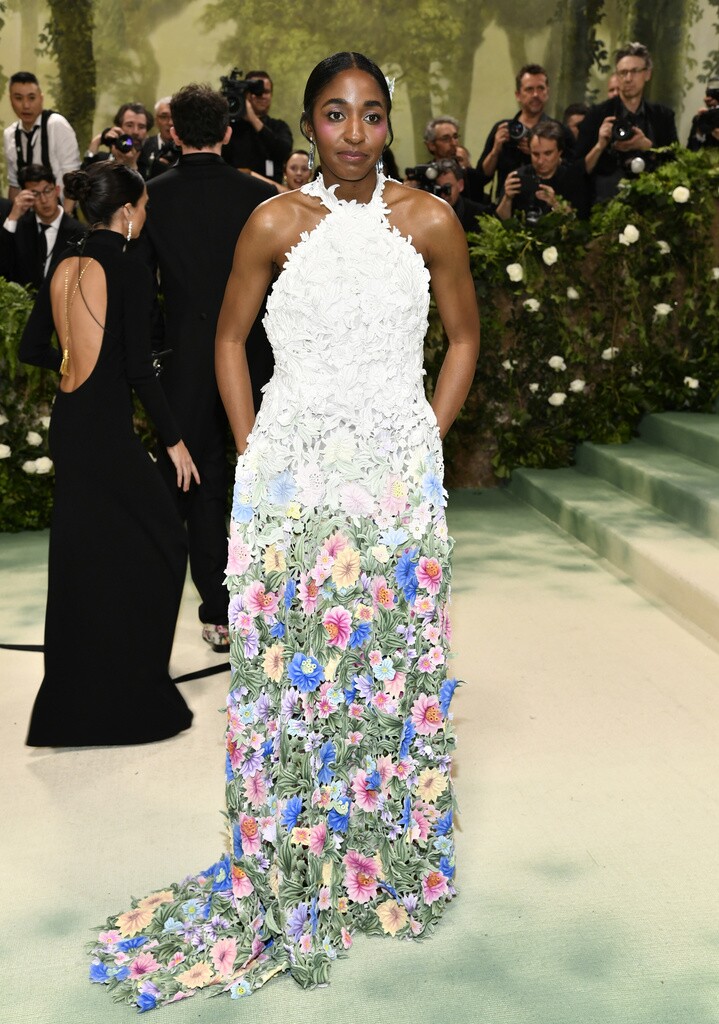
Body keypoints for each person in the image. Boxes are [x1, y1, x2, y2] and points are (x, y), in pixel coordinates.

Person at [88, 50, 479, 1008]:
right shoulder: (272, 221)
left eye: (373, 115)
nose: (356, 132)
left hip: (390, 489)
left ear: (390, 124)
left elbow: (463, 337)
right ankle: (298, 859)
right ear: (308, 124)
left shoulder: (430, 220)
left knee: (386, 671)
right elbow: (227, 338)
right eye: (336, 115)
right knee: (298, 677)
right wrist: (253, 449)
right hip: (292, 487)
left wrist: (421, 441)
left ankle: (381, 861)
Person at [18, 161, 197, 746]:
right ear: (125, 212)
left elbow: (32, 347)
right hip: (107, 431)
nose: (145, 216)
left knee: (82, 556)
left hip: (73, 426)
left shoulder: (62, 262)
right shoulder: (128, 266)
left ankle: (76, 694)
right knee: (165, 538)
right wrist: (174, 441)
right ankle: (130, 683)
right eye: (143, 206)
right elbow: (141, 372)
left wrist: (73, 365)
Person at [139, 83, 276, 654]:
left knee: (200, 484)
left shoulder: (151, 198)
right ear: (227, 131)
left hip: (185, 360)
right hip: (255, 355)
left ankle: (218, 614)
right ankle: (273, 605)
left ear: (172, 132)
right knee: (267, 475)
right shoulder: (257, 198)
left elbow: (143, 292)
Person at [576, 42, 678, 203]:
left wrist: (647, 147)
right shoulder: (597, 115)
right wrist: (600, 145)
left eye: (635, 71)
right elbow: (578, 171)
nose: (628, 78)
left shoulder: (663, 117)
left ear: (647, 74)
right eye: (623, 73)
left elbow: (676, 166)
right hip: (604, 206)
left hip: (652, 206)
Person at [477, 63, 575, 196]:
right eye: (529, 89)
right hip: (507, 206)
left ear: (548, 92)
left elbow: (574, 172)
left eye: (541, 88)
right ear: (518, 95)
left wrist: (536, 153)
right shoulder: (503, 129)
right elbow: (481, 177)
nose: (535, 94)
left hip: (549, 205)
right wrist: (495, 150)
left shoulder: (561, 132)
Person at [3, 71, 80, 212]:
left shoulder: (56, 124)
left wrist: (64, 222)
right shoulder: (10, 134)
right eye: (18, 98)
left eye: (31, 98)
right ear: (10, 100)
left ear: (41, 98)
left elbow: (73, 179)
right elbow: (14, 186)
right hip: (29, 219)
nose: (25, 105)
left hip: (60, 213)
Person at [0, 163, 86, 287]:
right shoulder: (20, 228)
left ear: (57, 190)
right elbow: (3, 267)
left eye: (47, 191)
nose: (44, 200)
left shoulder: (79, 232)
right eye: (35, 194)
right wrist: (13, 217)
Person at [497, 121, 591, 222]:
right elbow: (500, 222)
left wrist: (556, 204)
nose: (541, 161)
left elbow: (580, 224)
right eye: (536, 154)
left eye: (548, 153)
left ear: (560, 152)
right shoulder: (518, 177)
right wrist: (507, 199)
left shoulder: (573, 179)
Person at [221, 70, 293, 184]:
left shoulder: (278, 126)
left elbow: (283, 152)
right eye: (257, 92)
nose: (263, 96)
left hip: (270, 196)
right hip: (235, 191)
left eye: (267, 92)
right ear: (245, 94)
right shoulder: (229, 128)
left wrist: (253, 118)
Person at [83, 102, 153, 176]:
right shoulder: (102, 160)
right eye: (129, 125)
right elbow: (84, 179)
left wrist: (131, 166)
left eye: (141, 127)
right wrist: (98, 140)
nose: (135, 132)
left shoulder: (155, 166)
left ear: (147, 132)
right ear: (119, 128)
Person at [433, 157, 494, 230]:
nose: (443, 194)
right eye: (439, 189)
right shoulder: (429, 213)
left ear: (460, 185)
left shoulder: (479, 214)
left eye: (447, 188)